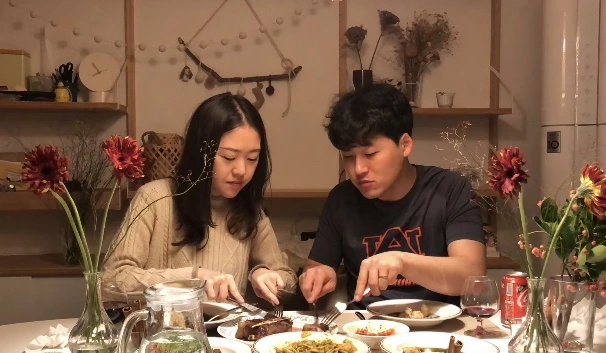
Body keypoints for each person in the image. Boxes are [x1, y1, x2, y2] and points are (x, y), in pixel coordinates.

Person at [299, 83, 486, 309]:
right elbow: (317, 266)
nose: (358, 169)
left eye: (370, 154)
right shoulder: (341, 199)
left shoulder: (448, 189)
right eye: (348, 157)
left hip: (439, 324)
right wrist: (318, 275)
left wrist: (402, 261)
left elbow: (472, 277)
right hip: (364, 324)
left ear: (405, 145)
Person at [101, 92, 297, 306]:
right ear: (200, 153)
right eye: (229, 157)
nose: (241, 170)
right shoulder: (154, 198)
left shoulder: (249, 210)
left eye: (252, 158)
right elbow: (111, 280)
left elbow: (287, 279)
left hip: (229, 328)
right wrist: (192, 278)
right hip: (161, 327)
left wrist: (262, 273)